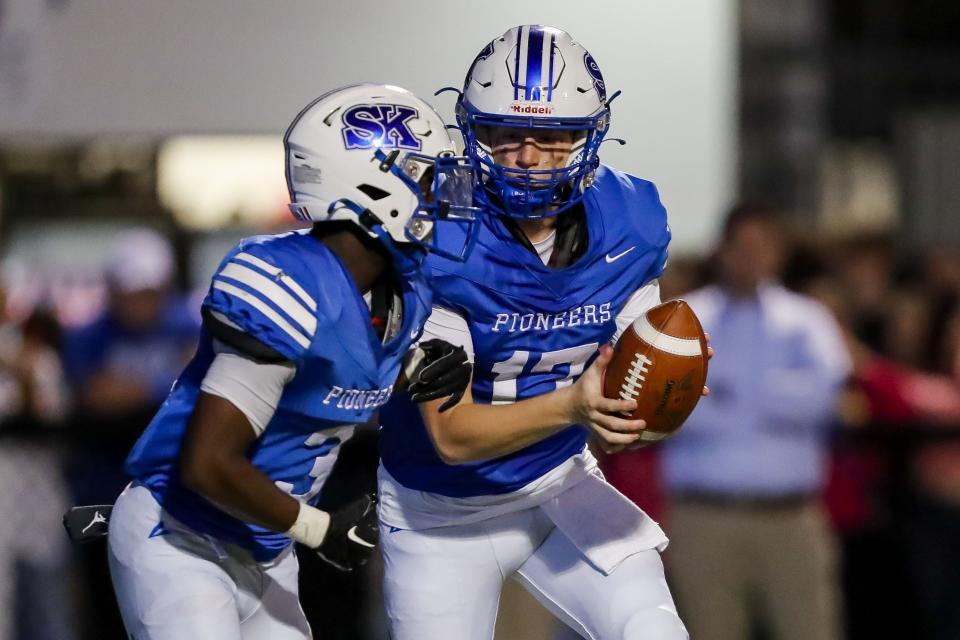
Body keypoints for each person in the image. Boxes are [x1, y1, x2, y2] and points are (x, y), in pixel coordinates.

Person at [105, 84, 478, 640]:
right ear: (371, 185)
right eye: (423, 175)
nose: (438, 194)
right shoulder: (288, 282)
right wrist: (318, 528)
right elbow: (207, 463)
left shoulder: (404, 290)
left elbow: (335, 369)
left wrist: (414, 368)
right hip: (181, 534)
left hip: (264, 545)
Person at [378, 25, 695, 640]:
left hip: (558, 487)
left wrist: (642, 413)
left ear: (588, 135)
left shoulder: (630, 220)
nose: (528, 157)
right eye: (504, 134)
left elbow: (634, 377)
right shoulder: (437, 232)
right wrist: (576, 405)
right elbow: (454, 435)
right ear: (473, 134)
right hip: (439, 513)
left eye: (551, 137)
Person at [660, 203, 850, 640]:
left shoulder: (808, 319)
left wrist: (731, 393)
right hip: (703, 515)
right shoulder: (684, 318)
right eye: (741, 246)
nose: (751, 257)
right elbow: (671, 412)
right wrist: (778, 392)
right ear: (722, 250)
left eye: (762, 247)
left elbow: (824, 400)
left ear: (779, 253)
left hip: (790, 517)